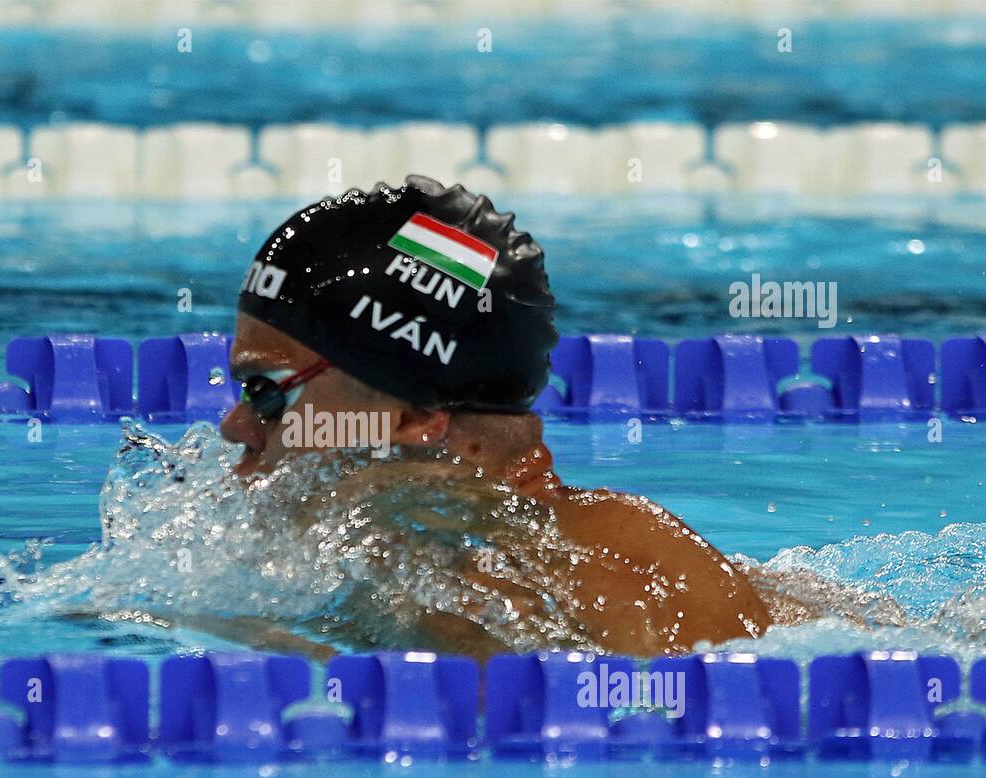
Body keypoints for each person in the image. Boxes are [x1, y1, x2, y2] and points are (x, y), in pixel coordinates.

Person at [218, 175, 773, 658]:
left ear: (413, 417)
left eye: (267, 393)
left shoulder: (587, 576)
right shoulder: (424, 555)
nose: (236, 425)